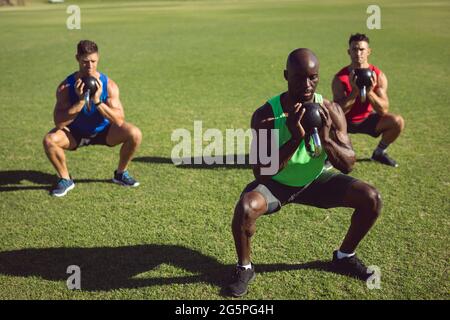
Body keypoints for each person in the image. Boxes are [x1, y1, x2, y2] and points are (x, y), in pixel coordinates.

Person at [228, 48, 382, 297]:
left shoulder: (330, 109)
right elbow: (261, 173)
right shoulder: (266, 115)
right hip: (278, 183)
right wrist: (294, 138)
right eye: (300, 77)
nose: (307, 84)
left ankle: (344, 256)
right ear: (286, 75)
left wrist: (327, 139)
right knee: (246, 208)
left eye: (313, 77)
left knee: (371, 198)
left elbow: (349, 163)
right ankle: (244, 267)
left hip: (317, 180)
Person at [43, 40, 142, 197]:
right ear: (77, 59)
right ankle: (65, 179)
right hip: (75, 133)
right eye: (85, 62)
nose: (89, 66)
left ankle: (121, 173)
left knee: (134, 133)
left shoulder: (109, 85)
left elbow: (119, 120)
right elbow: (59, 122)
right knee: (50, 140)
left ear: (98, 59)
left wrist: (97, 101)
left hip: (104, 132)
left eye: (93, 61)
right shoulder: (66, 87)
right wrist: (81, 101)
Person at [332, 33, 404, 167]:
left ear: (368, 51)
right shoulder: (340, 78)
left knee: (397, 121)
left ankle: (379, 153)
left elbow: (383, 110)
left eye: (361, 49)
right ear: (349, 52)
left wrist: (369, 91)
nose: (358, 53)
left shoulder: (378, 75)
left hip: (367, 119)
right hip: (345, 121)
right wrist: (354, 92)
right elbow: (338, 111)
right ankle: (331, 156)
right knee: (327, 121)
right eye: (354, 49)